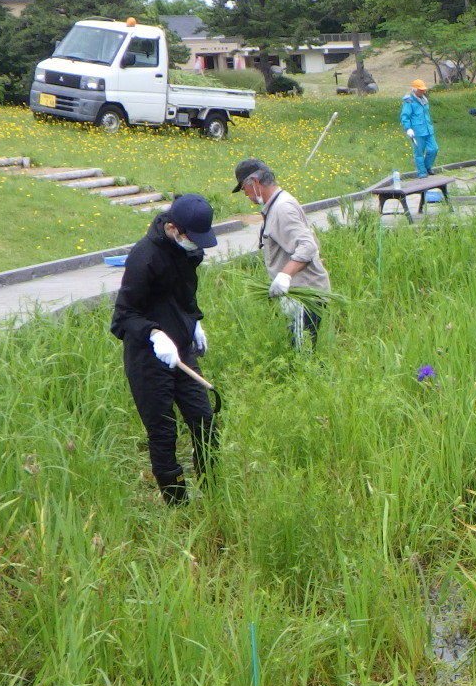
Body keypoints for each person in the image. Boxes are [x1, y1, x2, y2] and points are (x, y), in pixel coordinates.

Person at [111, 194, 218, 506]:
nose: (196, 246)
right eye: (191, 239)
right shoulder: (144, 257)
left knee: (204, 421)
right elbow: (123, 316)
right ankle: (178, 506)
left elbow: (183, 297)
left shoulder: (188, 253)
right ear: (173, 228)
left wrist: (194, 321)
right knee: (163, 432)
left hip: (181, 350)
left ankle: (214, 495)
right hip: (148, 355)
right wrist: (154, 334)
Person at [234, 157, 329, 349]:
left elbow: (308, 246)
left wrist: (285, 276)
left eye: (244, 189)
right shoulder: (276, 204)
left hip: (305, 297)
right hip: (297, 296)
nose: (246, 195)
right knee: (297, 351)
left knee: (302, 356)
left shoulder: (282, 208)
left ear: (254, 182)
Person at [402, 78, 437, 177]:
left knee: (433, 149)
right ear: (414, 90)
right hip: (417, 131)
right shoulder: (409, 101)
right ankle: (422, 173)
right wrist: (408, 128)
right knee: (419, 153)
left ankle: (427, 167)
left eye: (423, 90)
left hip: (428, 130)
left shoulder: (424, 100)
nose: (423, 91)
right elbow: (405, 116)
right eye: (420, 90)